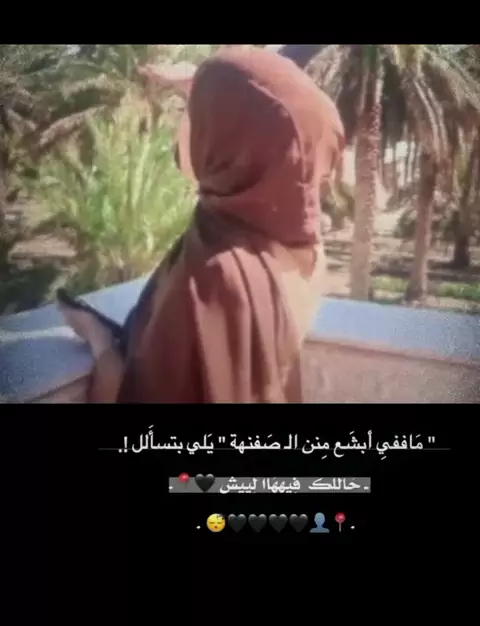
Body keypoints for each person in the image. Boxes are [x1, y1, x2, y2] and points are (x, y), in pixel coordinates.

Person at [59, 46, 345, 403]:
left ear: (230, 148)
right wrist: (205, 85)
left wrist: (99, 340)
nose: (185, 129)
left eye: (194, 116)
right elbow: (279, 127)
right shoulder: (303, 250)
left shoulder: (213, 277)